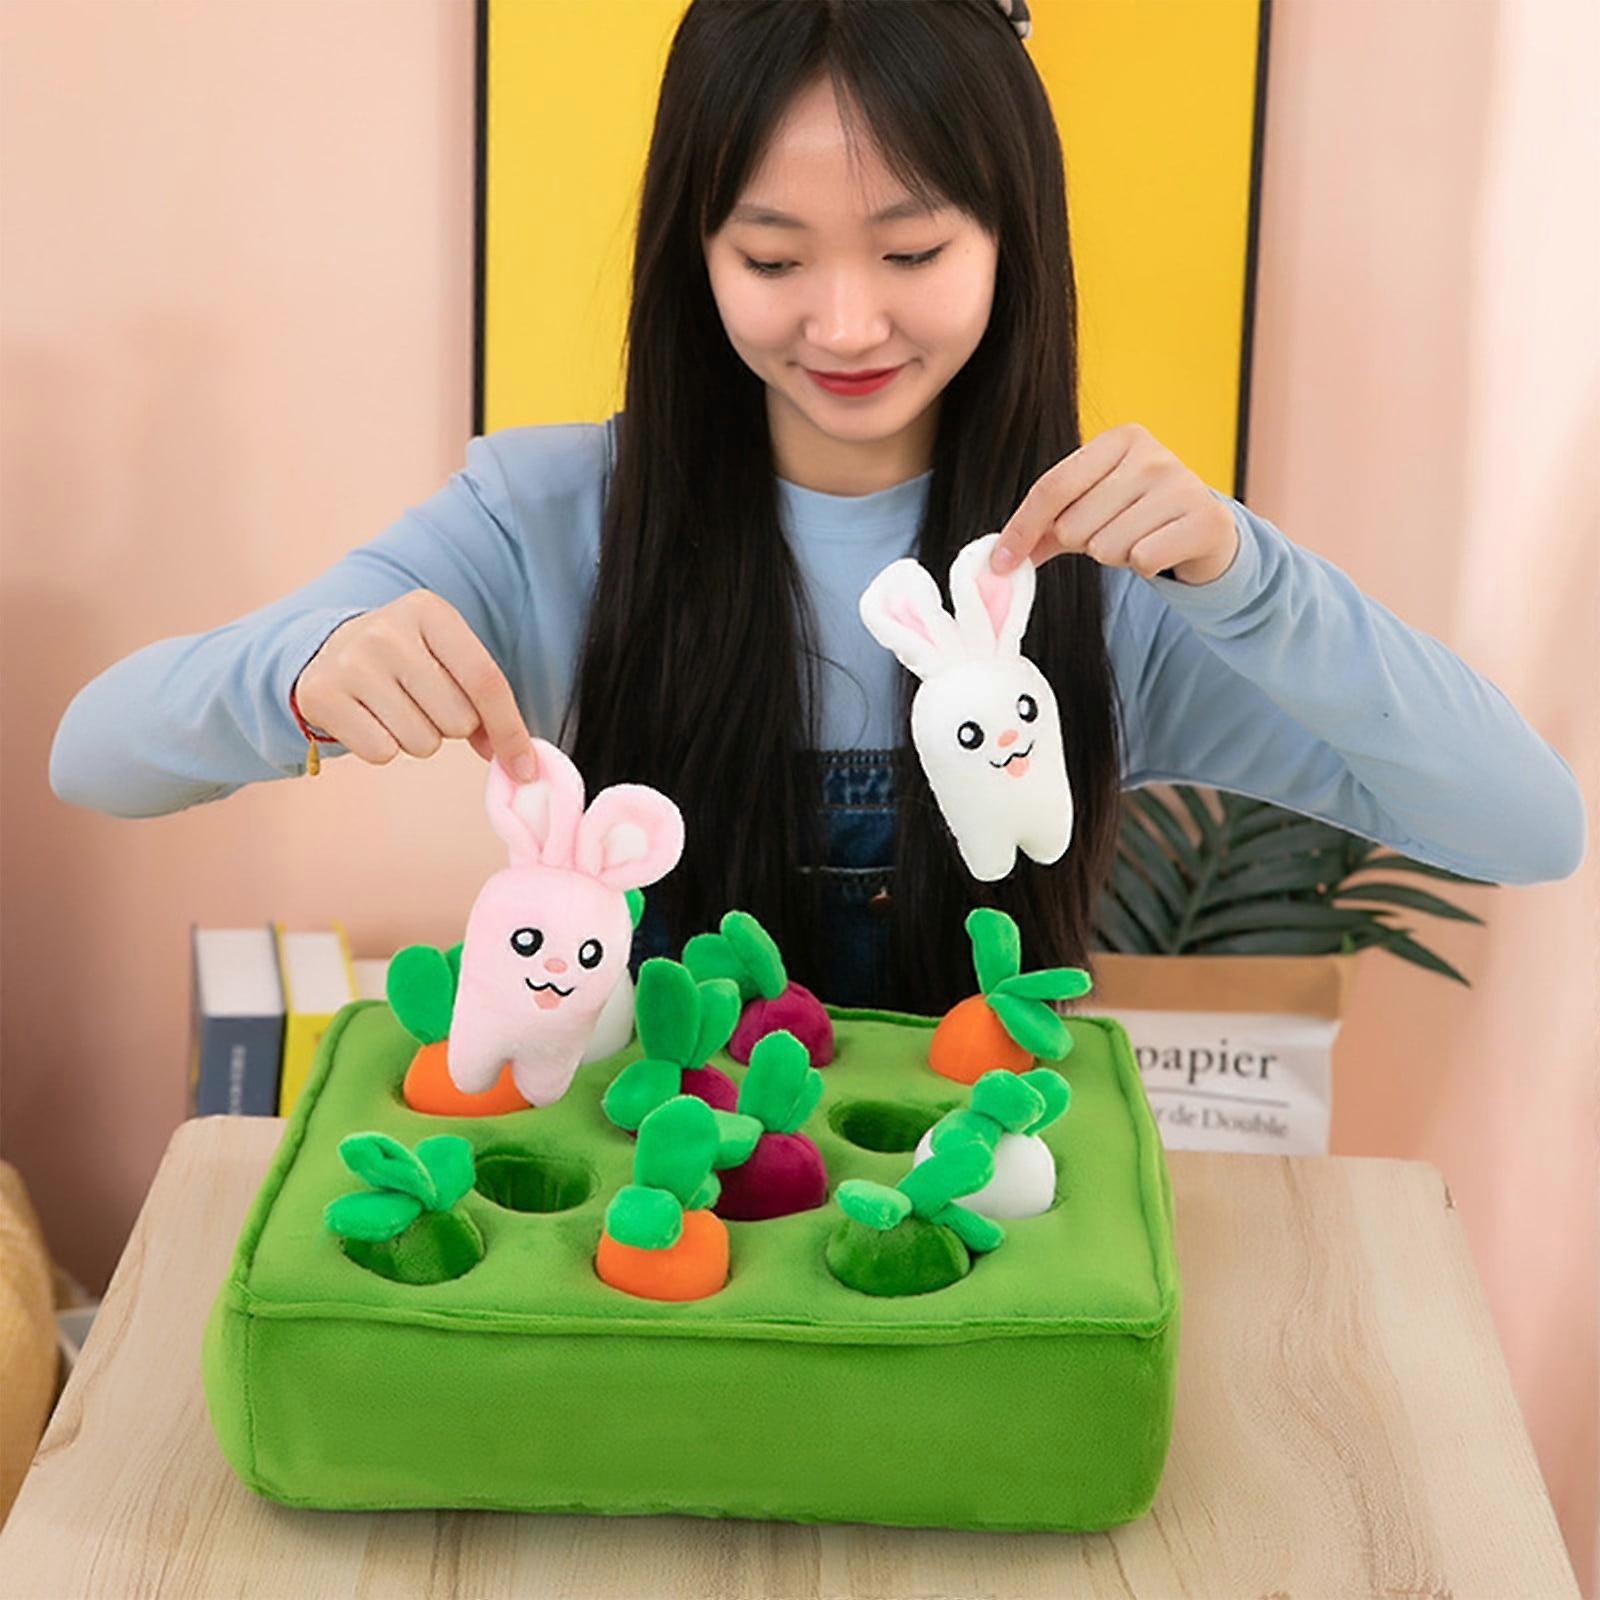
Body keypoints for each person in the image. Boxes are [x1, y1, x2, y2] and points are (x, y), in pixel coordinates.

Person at [48, 0, 1584, 1016]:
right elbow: (97, 756)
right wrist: (301, 677)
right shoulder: (549, 517)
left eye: (912, 253)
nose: (846, 324)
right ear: (694, 255)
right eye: (773, 259)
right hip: (658, 1242)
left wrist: (1251, 576)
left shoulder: (1106, 576)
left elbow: (1525, 825)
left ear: (1012, 243)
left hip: (977, 1254)